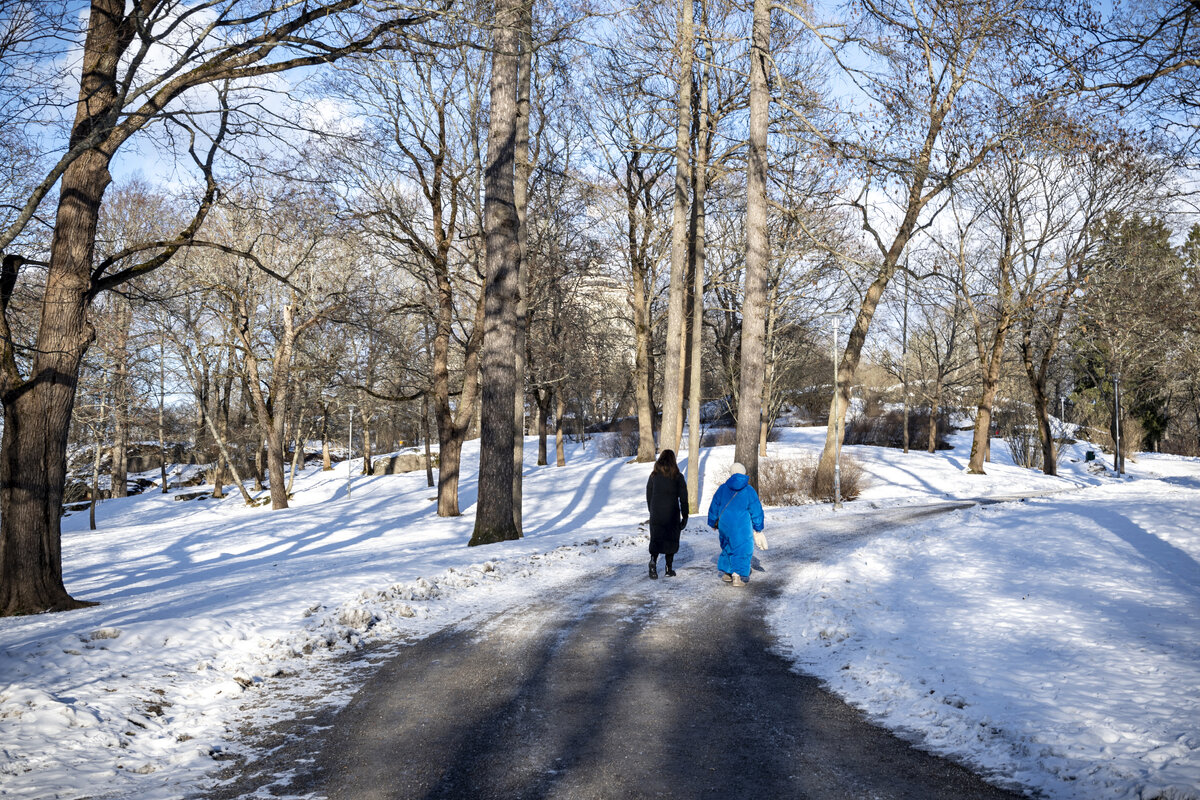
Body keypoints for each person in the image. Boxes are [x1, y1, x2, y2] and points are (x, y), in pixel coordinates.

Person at [706, 462, 764, 587]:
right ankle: (737, 576)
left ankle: (727, 573)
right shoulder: (749, 490)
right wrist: (758, 527)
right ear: (744, 473)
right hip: (741, 525)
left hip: (725, 524)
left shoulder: (722, 488)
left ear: (731, 473)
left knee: (727, 546)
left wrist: (712, 522)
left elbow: (714, 506)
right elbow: (756, 510)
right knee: (742, 549)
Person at [646, 449, 688, 579]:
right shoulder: (678, 476)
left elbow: (649, 494)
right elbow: (684, 498)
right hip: (672, 513)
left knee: (656, 538)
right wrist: (685, 515)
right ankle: (669, 568)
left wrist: (651, 510)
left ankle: (653, 561)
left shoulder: (653, 476)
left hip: (657, 513)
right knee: (671, 539)